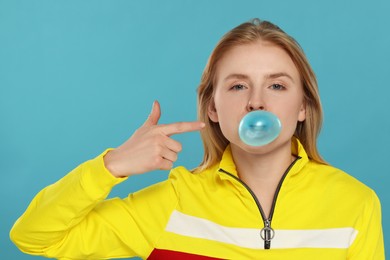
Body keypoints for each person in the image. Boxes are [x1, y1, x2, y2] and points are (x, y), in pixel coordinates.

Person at [10, 19, 384, 259]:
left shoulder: (355, 203)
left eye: (277, 85)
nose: (257, 101)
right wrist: (111, 166)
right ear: (213, 109)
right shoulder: (174, 203)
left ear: (302, 106)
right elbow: (35, 237)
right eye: (238, 85)